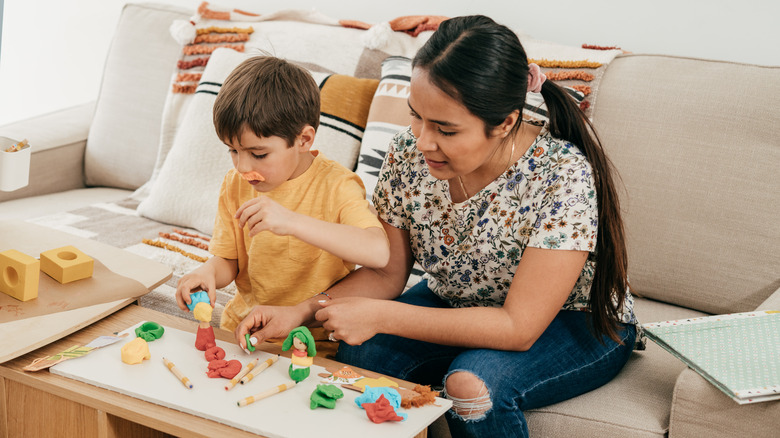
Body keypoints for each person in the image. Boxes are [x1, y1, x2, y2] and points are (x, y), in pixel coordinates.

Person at [235, 16, 643, 437]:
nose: (424, 141)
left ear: (504, 122)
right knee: (363, 354)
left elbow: (517, 327)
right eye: (417, 117)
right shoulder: (408, 154)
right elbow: (386, 271)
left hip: (575, 320)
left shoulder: (563, 174)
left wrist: (383, 315)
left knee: (470, 385)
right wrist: (301, 312)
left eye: (446, 129)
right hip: (460, 298)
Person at [175, 56, 390, 353]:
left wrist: (291, 222)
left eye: (258, 154)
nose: (243, 166)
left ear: (303, 139)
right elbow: (229, 260)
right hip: (243, 331)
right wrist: (207, 274)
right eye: (233, 151)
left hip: (313, 342)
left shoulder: (338, 185)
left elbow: (378, 252)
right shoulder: (236, 184)